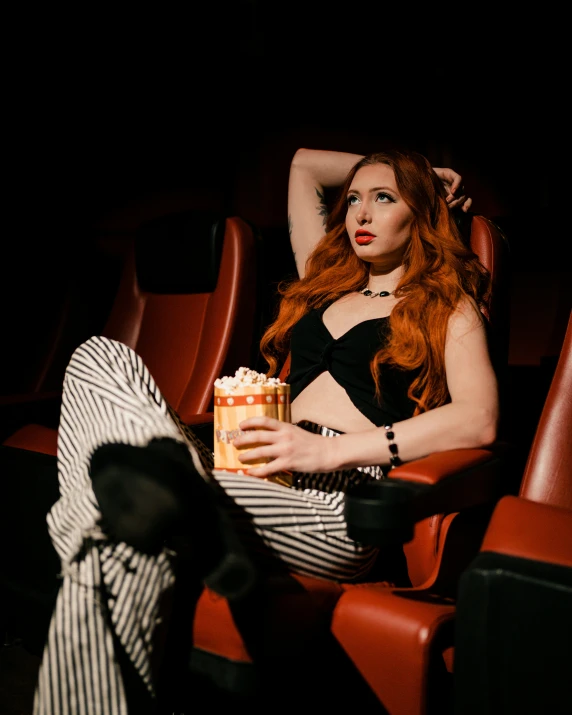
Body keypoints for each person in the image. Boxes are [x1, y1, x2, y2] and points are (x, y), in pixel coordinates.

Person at [30, 147, 498, 714]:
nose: (361, 215)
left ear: (421, 213)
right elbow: (303, 164)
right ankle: (174, 488)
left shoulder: (446, 304)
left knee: (101, 519)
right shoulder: (322, 283)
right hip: (240, 468)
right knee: (100, 357)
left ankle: (157, 496)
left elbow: (479, 418)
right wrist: (408, 171)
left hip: (336, 502)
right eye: (353, 199)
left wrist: (330, 451)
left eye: (384, 198)